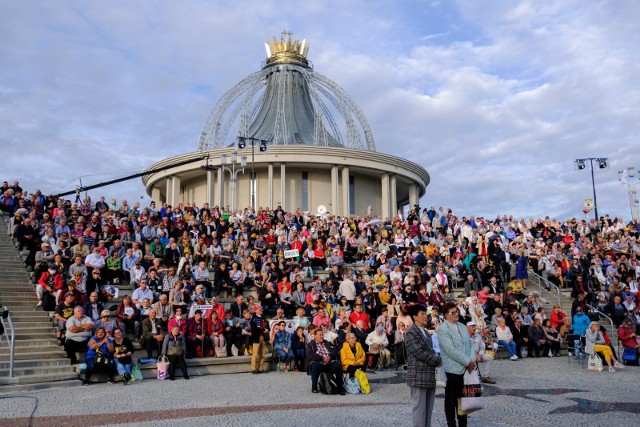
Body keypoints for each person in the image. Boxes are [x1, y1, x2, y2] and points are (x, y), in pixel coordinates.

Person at [438, 301, 476, 427]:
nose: (456, 314)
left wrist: (471, 360)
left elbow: (470, 344)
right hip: (452, 369)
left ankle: (463, 424)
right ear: (446, 315)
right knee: (451, 399)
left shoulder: (462, 326)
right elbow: (450, 350)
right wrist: (467, 361)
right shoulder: (443, 329)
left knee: (463, 398)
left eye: (457, 311)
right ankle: (451, 424)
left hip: (466, 368)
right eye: (453, 312)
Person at [404, 304, 442, 427]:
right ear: (415, 317)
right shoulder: (411, 333)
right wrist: (438, 360)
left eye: (426, 314)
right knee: (419, 409)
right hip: (418, 375)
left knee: (428, 409)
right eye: (423, 314)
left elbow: (430, 351)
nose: (426, 316)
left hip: (429, 375)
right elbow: (419, 353)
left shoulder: (425, 332)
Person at [306, 328, 345, 395]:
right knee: (315, 366)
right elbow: (310, 355)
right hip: (318, 362)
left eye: (322, 335)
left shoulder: (327, 342)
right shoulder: (311, 344)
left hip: (329, 362)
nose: (322, 336)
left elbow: (335, 352)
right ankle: (314, 386)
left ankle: (340, 386)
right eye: (320, 335)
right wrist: (322, 358)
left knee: (337, 366)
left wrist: (329, 357)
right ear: (315, 336)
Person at [250, 305, 270, 374]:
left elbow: (268, 326)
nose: (261, 310)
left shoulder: (263, 318)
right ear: (256, 310)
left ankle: (260, 368)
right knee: (255, 354)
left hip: (263, 337)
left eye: (261, 309)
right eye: (260, 309)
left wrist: (267, 330)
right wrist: (263, 330)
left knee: (262, 354)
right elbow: (254, 330)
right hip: (256, 338)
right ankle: (254, 369)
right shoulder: (253, 319)